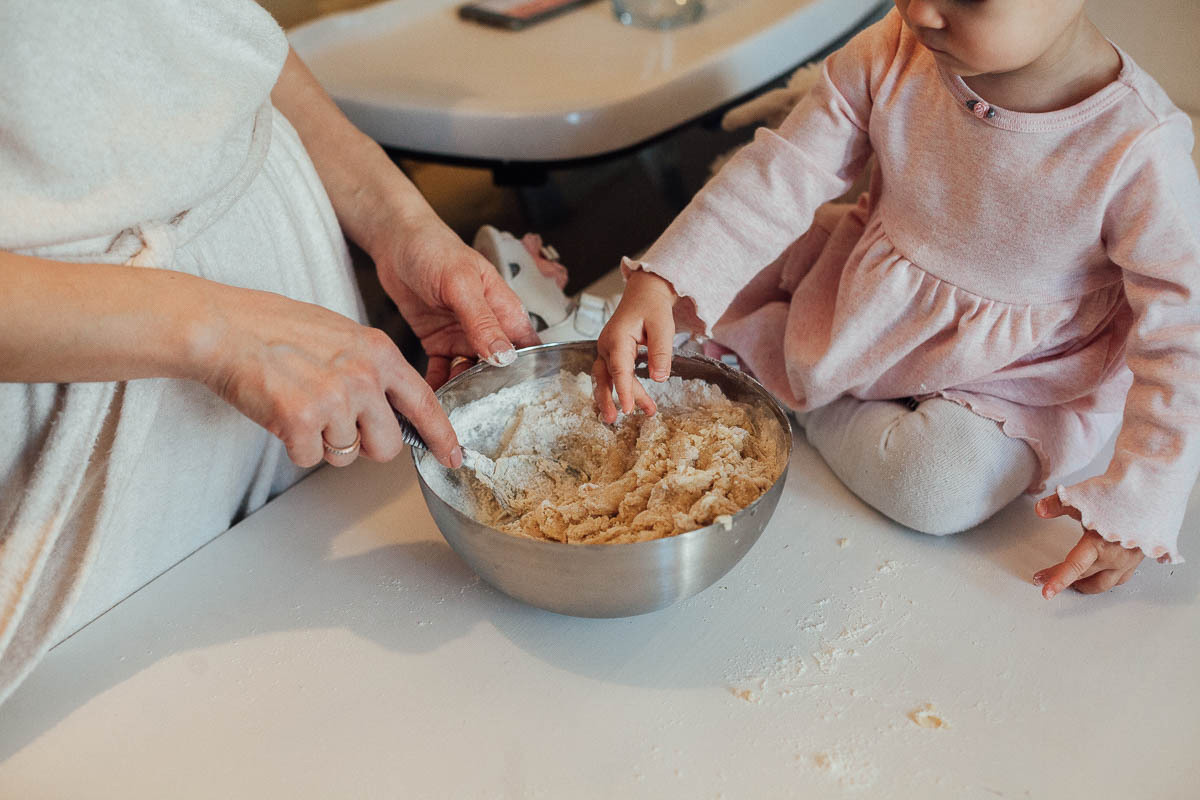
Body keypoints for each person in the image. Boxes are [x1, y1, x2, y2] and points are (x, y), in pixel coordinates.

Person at [0, 0, 537, 703]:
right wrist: (222, 332)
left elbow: (217, 30)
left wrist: (396, 219)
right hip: (66, 411)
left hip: (285, 340)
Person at [594, 1, 1200, 598]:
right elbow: (785, 169)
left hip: (1020, 377)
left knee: (935, 488)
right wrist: (663, 280)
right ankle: (800, 360)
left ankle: (798, 394)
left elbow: (1181, 339)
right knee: (708, 267)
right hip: (869, 299)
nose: (921, 12)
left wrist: (1139, 502)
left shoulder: (1141, 149)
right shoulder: (895, 47)